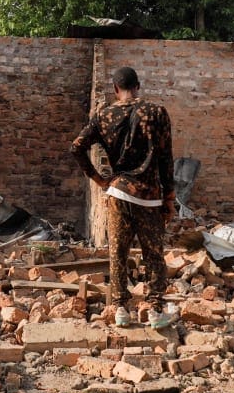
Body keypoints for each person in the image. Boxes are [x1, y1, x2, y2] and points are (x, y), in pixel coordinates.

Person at [71, 67, 175, 327]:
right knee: (153, 254)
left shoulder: (103, 115)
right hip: (149, 197)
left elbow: (76, 147)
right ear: (137, 86)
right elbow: (166, 158)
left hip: (118, 191)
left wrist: (99, 179)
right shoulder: (157, 113)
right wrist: (169, 197)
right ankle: (155, 310)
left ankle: (120, 310)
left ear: (115, 89)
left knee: (118, 251)